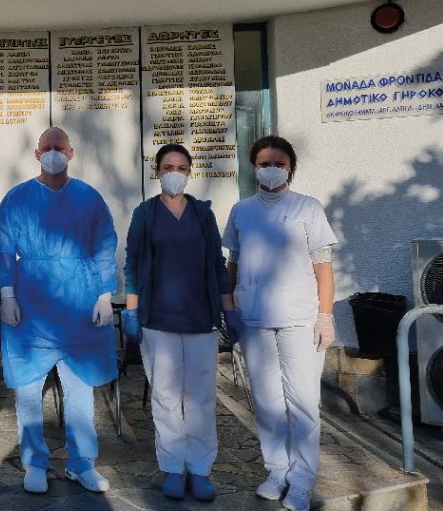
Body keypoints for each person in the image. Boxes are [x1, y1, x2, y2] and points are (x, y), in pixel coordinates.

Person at [0, 127, 117, 495]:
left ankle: (82, 464)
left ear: (71, 152)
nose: (52, 153)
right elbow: (3, 249)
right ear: (36, 154)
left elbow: (104, 246)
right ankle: (34, 462)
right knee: (29, 393)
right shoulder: (19, 199)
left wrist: (104, 294)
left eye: (58, 147)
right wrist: (8, 294)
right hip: (31, 310)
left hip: (79, 309)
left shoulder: (89, 198)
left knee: (80, 392)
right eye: (46, 147)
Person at [121, 143, 244, 502]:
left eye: (181, 168)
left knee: (201, 398)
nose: (174, 173)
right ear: (157, 172)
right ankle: (173, 468)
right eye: (168, 167)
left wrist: (228, 309)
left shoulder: (202, 213)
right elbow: (132, 264)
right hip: (157, 320)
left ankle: (201, 470)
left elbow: (217, 264)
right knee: (166, 397)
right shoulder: (145, 213)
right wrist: (132, 311)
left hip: (200, 319)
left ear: (189, 172)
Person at [221, 135, 338, 511]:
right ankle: (277, 471)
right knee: (267, 401)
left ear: (290, 168)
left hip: (300, 320)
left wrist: (325, 316)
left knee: (302, 403)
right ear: (254, 167)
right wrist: (230, 308)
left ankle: (302, 481)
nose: (271, 169)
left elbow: (323, 268)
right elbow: (233, 264)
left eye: (279, 163)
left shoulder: (308, 207)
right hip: (254, 320)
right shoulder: (241, 210)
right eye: (264, 163)